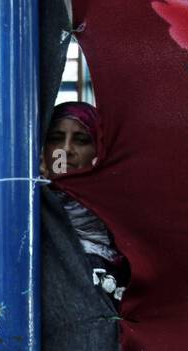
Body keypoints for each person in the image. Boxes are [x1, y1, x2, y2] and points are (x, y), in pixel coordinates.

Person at [40, 101, 130, 307]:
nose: (66, 149)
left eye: (81, 140)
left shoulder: (117, 206)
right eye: (55, 139)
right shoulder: (22, 203)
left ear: (98, 149)